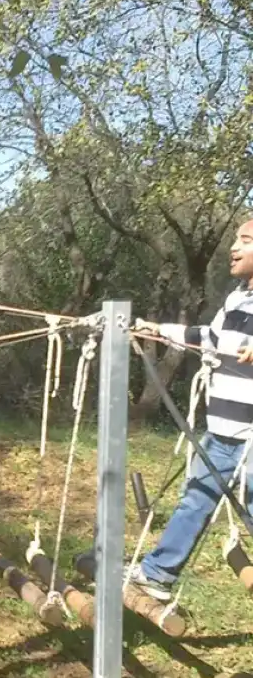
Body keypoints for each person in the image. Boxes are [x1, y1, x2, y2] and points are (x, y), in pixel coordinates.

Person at [128, 219, 253, 601]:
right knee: (196, 496)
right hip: (222, 431)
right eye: (235, 238)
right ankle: (157, 574)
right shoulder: (237, 299)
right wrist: (159, 329)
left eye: (245, 241)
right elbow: (206, 338)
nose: (233, 247)